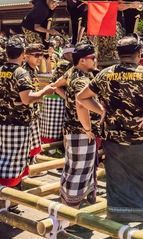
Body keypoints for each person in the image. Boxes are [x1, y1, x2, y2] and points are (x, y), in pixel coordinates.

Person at [77, 34, 143, 232]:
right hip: (139, 139)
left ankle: (118, 233)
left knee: (117, 185)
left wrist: (101, 110)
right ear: (139, 53)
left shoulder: (105, 74)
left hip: (112, 141)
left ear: (118, 54)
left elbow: (81, 98)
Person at [0, 38, 55, 198]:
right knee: (16, 162)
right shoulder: (21, 73)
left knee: (2, 159)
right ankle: (10, 199)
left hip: (0, 122)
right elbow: (26, 99)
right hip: (19, 122)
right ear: (23, 54)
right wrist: (45, 92)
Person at [54, 42, 101, 207]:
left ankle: (70, 206)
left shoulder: (72, 72)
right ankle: (70, 213)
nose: (95, 60)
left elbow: (56, 85)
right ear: (82, 60)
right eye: (92, 58)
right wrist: (91, 126)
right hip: (81, 130)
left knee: (74, 169)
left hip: (75, 129)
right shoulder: (81, 79)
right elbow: (82, 104)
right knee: (78, 171)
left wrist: (68, 98)